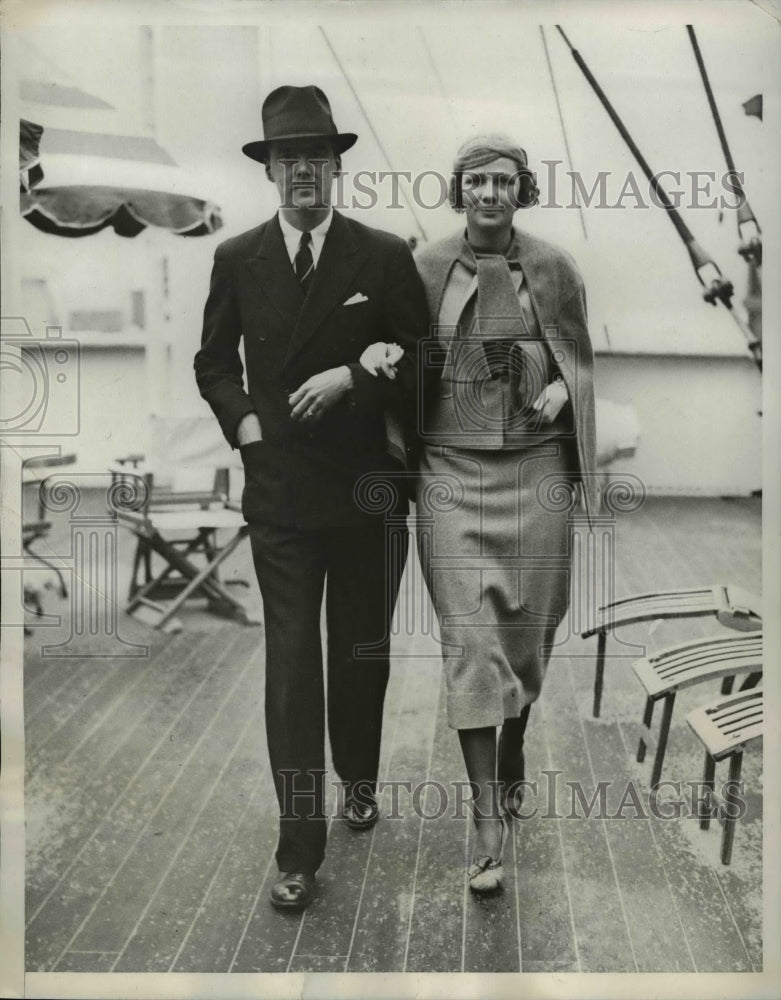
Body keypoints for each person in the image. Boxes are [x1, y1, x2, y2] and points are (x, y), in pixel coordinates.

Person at [194, 85, 429, 912]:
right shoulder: (237, 258)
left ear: (335, 168)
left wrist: (358, 375)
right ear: (271, 170)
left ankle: (358, 780)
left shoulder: (384, 255)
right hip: (283, 498)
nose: (303, 172)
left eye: (316, 158)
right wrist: (248, 424)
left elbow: (423, 358)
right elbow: (213, 364)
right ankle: (298, 848)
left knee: (358, 653)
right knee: (292, 670)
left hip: (367, 496)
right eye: (289, 159)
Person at [414, 135, 598, 893]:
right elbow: (396, 347)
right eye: (476, 181)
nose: (490, 193)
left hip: (533, 469)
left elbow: (580, 356)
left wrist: (563, 387)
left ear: (522, 190)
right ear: (457, 190)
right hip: (448, 469)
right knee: (468, 640)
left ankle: (513, 733)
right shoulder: (421, 267)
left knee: (526, 631)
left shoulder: (554, 267)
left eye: (503, 181)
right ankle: (486, 816)